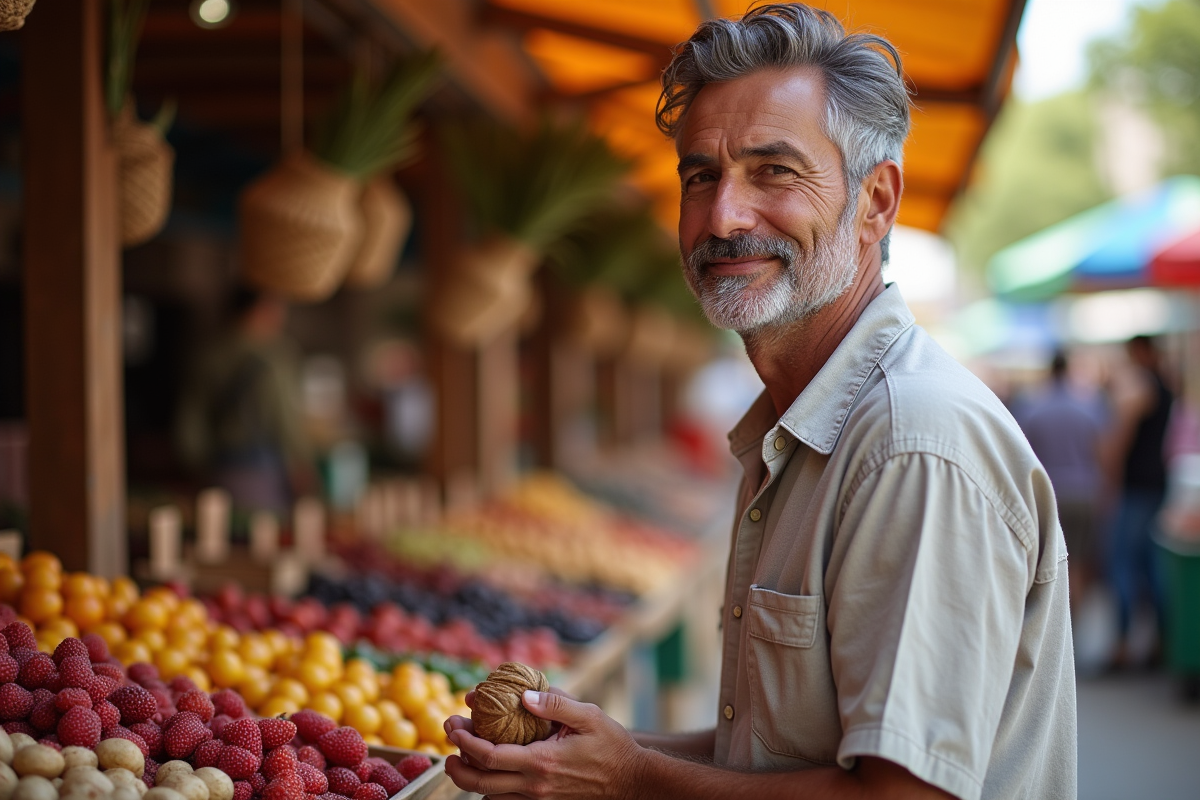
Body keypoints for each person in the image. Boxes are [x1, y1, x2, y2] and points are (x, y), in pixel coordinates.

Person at [444, 5, 1076, 799]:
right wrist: (594, 747)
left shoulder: (911, 445)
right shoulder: (800, 433)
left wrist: (632, 778)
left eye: (774, 171)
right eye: (700, 176)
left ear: (877, 202)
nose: (722, 217)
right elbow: (777, 748)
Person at [175, 286, 315, 513]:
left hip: (216, 468)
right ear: (262, 309)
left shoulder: (208, 354)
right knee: (262, 538)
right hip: (260, 472)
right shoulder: (274, 356)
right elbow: (285, 418)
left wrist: (195, 465)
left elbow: (189, 422)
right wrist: (301, 461)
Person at [1013, 349, 1109, 609]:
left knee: (1050, 565)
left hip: (1050, 496)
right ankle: (1076, 626)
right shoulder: (1087, 408)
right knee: (1078, 563)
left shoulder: (1033, 410)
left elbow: (1024, 456)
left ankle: (1058, 628)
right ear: (1067, 370)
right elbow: (1101, 452)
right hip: (1084, 492)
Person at [1105, 334, 1174, 667]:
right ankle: (1162, 642)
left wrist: (1109, 478)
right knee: (1151, 567)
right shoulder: (1167, 385)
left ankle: (1122, 644)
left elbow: (1120, 438)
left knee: (1122, 564)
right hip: (1158, 483)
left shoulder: (1142, 385)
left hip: (1136, 487)